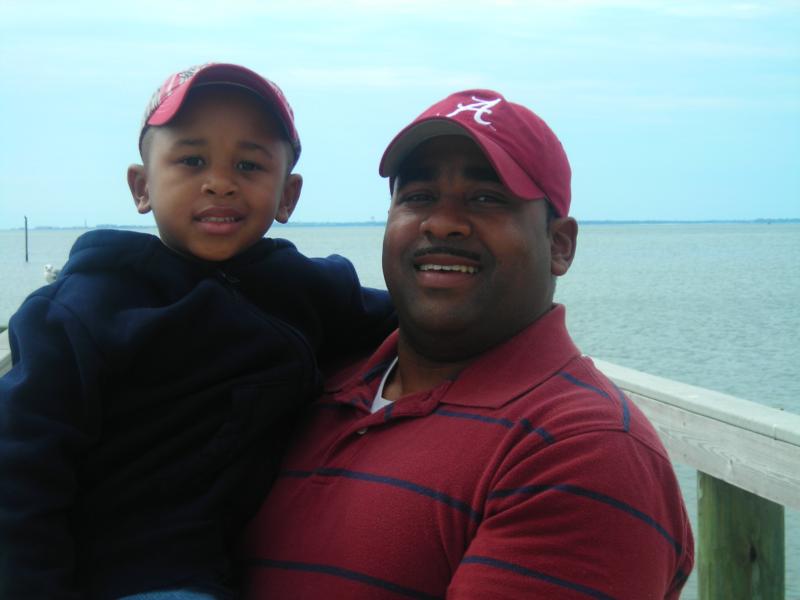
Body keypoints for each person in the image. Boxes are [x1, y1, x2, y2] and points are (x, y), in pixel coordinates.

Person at [241, 90, 694, 599]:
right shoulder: (315, 378)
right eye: (418, 197)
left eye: (486, 198)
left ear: (560, 245)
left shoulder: (584, 451)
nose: (443, 222)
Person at [0, 63, 393, 600]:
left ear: (288, 196)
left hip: (253, 562)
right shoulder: (85, 309)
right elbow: (21, 467)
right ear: (142, 186)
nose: (220, 182)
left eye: (250, 164)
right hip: (134, 573)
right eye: (191, 160)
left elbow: (417, 323)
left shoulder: (307, 290)